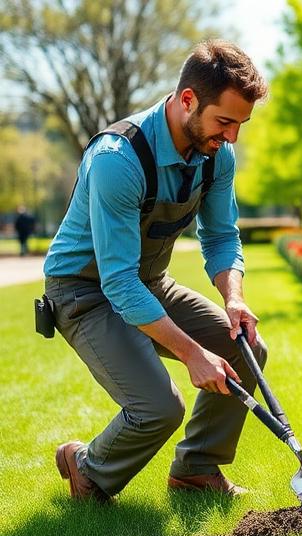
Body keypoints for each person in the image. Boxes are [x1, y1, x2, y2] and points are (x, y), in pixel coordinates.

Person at [42, 40, 270, 502]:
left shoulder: (216, 155)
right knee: (160, 407)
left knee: (245, 350)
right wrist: (191, 354)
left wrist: (235, 298)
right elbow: (118, 282)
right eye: (225, 122)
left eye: (240, 125)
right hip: (83, 294)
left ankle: (196, 470)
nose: (232, 138)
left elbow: (222, 236)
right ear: (188, 100)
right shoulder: (117, 159)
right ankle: (86, 466)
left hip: (147, 284)